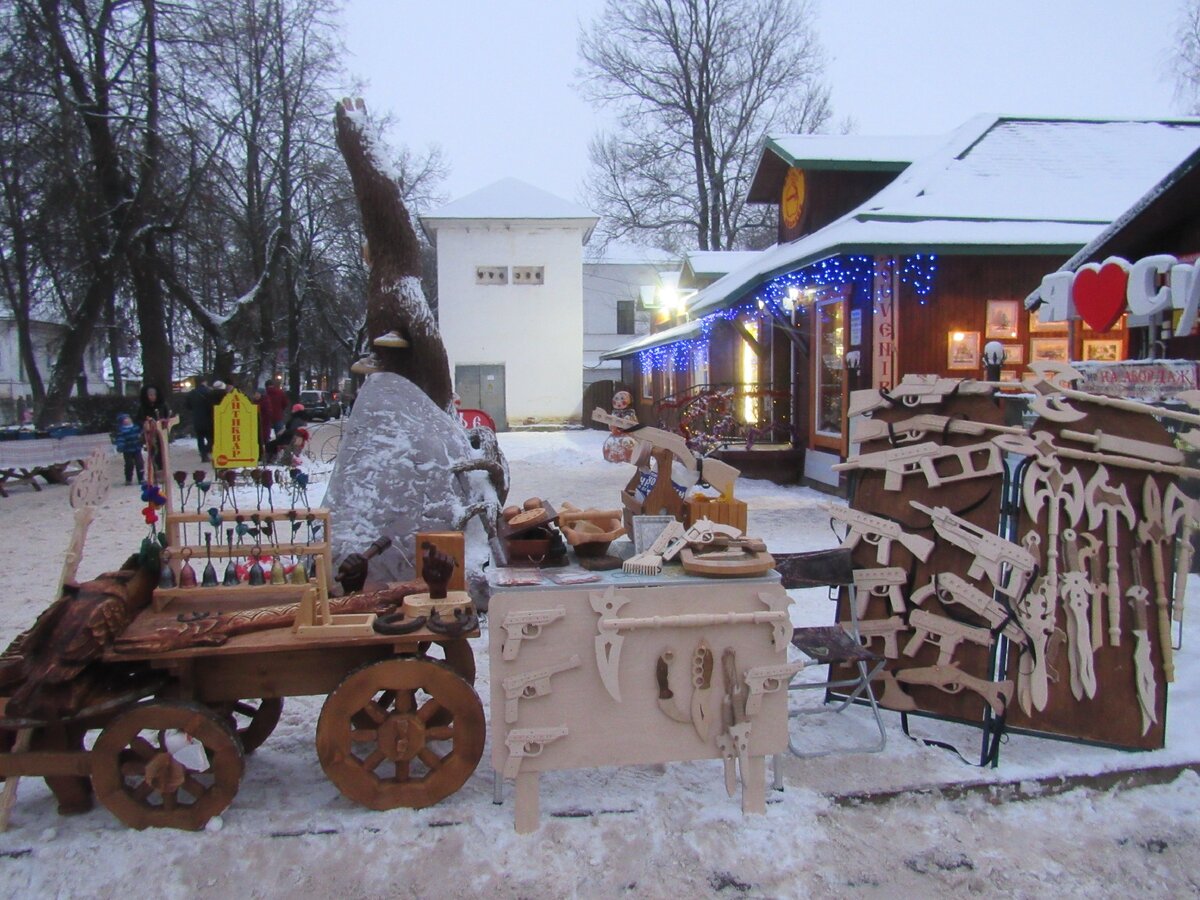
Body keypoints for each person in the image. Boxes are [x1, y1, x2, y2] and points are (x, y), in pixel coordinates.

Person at [137, 384, 170, 478]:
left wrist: (164, 422)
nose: (152, 397)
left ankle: (162, 470)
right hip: (150, 434)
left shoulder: (162, 405)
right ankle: (155, 470)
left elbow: (168, 417)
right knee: (153, 452)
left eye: (154, 395)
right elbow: (139, 419)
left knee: (162, 452)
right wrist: (146, 423)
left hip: (161, 433)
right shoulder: (143, 407)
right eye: (150, 395)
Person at [186, 378, 213, 461]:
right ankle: (206, 451)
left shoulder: (191, 393)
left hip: (197, 419)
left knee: (200, 438)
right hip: (208, 418)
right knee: (211, 438)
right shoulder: (209, 392)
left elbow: (187, 406)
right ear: (204, 382)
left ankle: (203, 455)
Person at [114, 413, 145, 485]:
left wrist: (142, 436)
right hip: (127, 451)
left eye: (128, 418)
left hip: (137, 449)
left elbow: (142, 433)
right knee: (129, 464)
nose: (127, 420)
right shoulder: (122, 431)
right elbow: (120, 439)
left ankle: (141, 478)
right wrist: (120, 446)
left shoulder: (136, 427)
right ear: (122, 422)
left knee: (140, 463)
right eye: (125, 419)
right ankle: (128, 479)